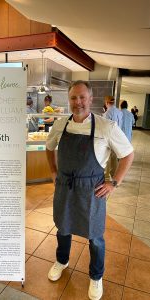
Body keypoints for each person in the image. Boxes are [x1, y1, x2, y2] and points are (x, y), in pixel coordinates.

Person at [46, 80, 134, 300]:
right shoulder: (60, 125)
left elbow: (127, 155)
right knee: (63, 228)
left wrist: (114, 182)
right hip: (65, 187)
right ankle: (62, 260)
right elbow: (49, 148)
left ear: (91, 99)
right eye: (74, 98)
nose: (78, 102)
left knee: (95, 236)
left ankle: (96, 276)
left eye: (82, 97)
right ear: (69, 100)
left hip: (91, 190)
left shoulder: (106, 126)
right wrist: (53, 171)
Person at [103, 96, 123, 179]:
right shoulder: (120, 112)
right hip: (117, 137)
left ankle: (106, 177)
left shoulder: (107, 113)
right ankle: (115, 176)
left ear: (107, 103)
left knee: (107, 158)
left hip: (108, 138)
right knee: (114, 157)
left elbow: (105, 128)